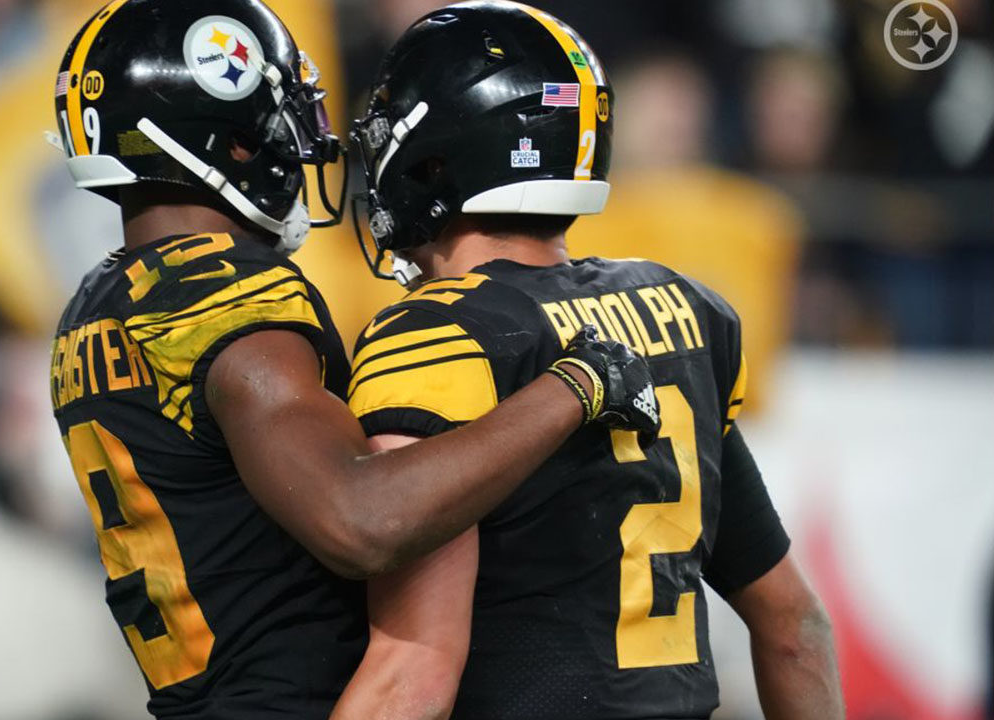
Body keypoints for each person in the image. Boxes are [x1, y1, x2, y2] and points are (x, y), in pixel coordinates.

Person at [46, 1, 658, 718]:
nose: (309, 139)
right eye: (286, 113)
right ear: (235, 140)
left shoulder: (98, 301)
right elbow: (363, 521)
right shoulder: (233, 298)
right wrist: (575, 386)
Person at [334, 3, 845, 719]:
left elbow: (412, 671)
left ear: (436, 154)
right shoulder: (681, 308)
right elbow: (796, 628)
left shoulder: (437, 334)